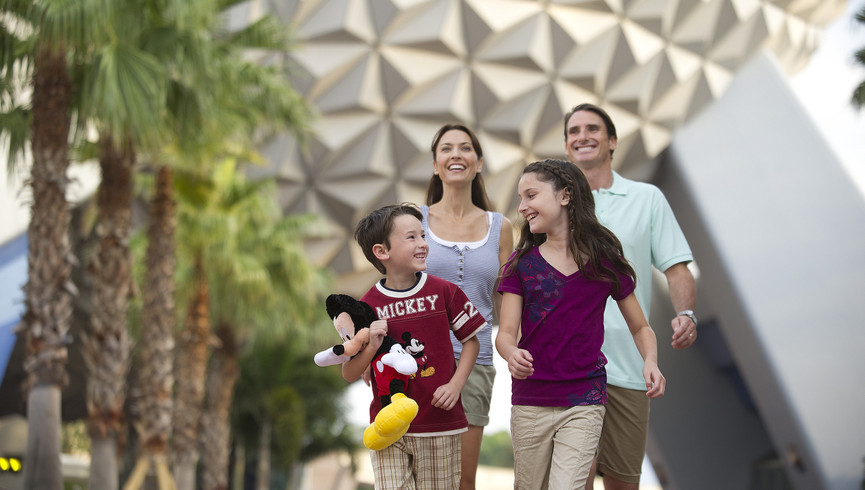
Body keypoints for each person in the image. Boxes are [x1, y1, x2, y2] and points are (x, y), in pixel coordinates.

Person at [495, 159, 665, 490]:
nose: (522, 206)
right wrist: (510, 353)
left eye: (531, 195)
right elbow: (505, 333)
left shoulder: (605, 261)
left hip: (585, 399)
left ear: (565, 196)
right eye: (520, 198)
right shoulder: (520, 266)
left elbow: (641, 327)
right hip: (531, 401)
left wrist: (650, 360)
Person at [563, 103, 698, 490]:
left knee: (623, 483)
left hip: (629, 366)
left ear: (612, 141)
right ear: (567, 146)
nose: (583, 136)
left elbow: (676, 267)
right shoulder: (555, 205)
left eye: (592, 129)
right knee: (573, 482)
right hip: (567, 366)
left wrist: (685, 312)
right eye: (574, 132)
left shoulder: (647, 198)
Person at [344, 203, 486, 489]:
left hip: (440, 422)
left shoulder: (444, 291)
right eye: (412, 238)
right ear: (382, 252)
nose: (423, 244)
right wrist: (371, 346)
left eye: (423, 236)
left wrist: (456, 385)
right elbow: (349, 372)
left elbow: (472, 342)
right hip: (387, 426)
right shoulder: (366, 306)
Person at [420, 123, 514, 490]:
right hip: (419, 358)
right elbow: (396, 287)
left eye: (465, 148)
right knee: (422, 472)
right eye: (446, 149)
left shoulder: (500, 227)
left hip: (478, 362)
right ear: (435, 163)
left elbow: (508, 295)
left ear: (478, 162)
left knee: (463, 480)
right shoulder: (416, 219)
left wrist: (514, 343)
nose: (456, 155)